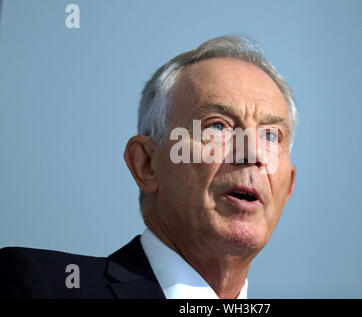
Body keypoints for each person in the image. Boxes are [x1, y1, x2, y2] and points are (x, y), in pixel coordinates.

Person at [0, 35, 297, 299]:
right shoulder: (43, 286)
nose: (252, 153)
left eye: (270, 134)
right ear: (146, 164)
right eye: (217, 126)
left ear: (289, 187)